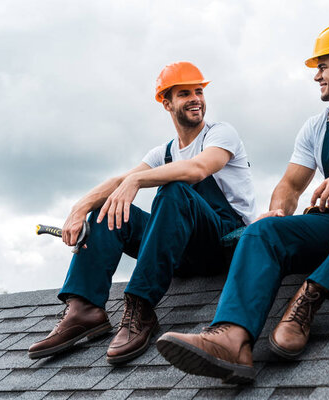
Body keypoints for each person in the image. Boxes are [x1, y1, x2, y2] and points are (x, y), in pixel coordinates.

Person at [156, 22, 329, 383]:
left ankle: (309, 297)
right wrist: (279, 211)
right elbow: (289, 185)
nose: (316, 76)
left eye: (322, 66)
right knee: (264, 230)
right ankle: (231, 340)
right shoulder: (317, 126)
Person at [28, 61, 257, 365]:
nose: (196, 99)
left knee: (174, 189)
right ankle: (85, 308)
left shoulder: (220, 134)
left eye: (199, 91)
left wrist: (136, 181)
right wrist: (80, 207)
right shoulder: (163, 153)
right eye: (184, 93)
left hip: (224, 242)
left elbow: (198, 168)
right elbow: (115, 183)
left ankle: (140, 308)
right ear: (166, 103)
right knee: (107, 206)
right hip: (181, 252)